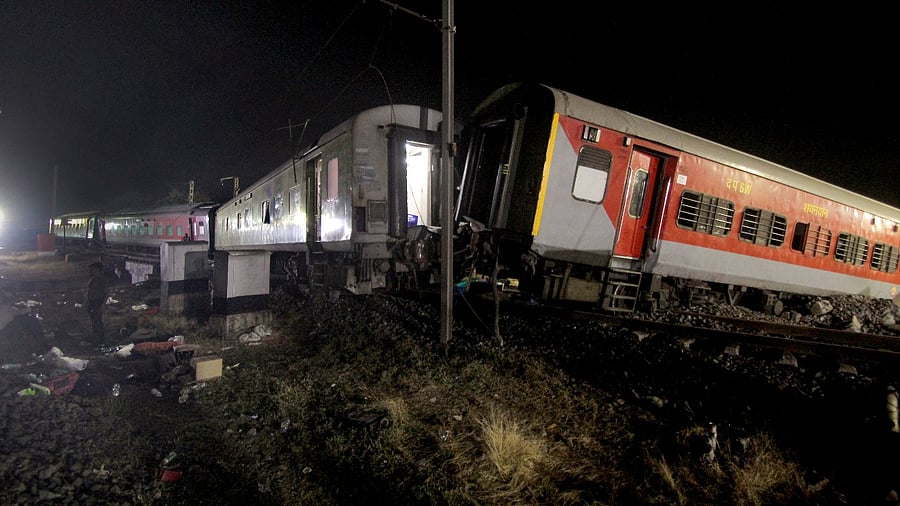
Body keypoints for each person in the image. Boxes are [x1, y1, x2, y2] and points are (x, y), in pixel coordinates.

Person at [85, 262, 108, 345]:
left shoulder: (101, 280)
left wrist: (102, 305)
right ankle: (96, 339)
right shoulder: (92, 280)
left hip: (97, 303)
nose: (91, 271)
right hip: (92, 303)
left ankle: (100, 340)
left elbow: (106, 293)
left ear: (98, 270)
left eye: (93, 269)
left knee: (97, 322)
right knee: (94, 322)